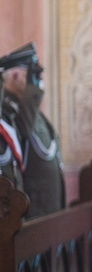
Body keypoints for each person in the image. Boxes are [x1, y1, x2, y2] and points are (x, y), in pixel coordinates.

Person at [1, 42, 64, 219]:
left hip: (47, 211)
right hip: (33, 211)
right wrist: (33, 92)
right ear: (14, 75)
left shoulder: (26, 110)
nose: (38, 83)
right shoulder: (9, 111)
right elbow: (22, 132)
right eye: (32, 76)